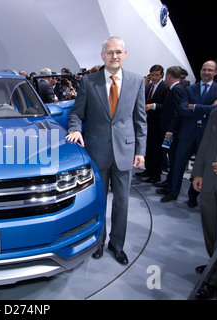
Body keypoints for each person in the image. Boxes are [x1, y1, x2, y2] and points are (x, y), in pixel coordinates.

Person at [65, 36, 147, 265]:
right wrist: (75, 129)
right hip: (97, 151)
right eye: (110, 52)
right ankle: (98, 242)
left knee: (122, 203)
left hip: (125, 153)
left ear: (125, 54)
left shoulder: (137, 81)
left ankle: (117, 245)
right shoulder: (89, 82)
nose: (115, 56)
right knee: (98, 202)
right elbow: (76, 113)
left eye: (119, 52)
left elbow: (140, 120)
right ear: (102, 56)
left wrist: (140, 150)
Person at [161, 61, 217, 205]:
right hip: (187, 133)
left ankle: (193, 196)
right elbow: (182, 110)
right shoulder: (190, 89)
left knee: (201, 165)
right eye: (204, 69)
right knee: (178, 164)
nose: (206, 72)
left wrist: (194, 107)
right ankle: (173, 191)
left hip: (208, 134)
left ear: (216, 72)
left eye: (210, 70)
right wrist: (208, 108)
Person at [191, 105, 217, 299]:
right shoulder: (216, 113)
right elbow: (205, 145)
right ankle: (215, 264)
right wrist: (198, 173)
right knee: (210, 228)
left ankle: (212, 280)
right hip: (209, 182)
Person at [136, 65, 169, 183]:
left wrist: (153, 106)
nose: (154, 77)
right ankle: (148, 170)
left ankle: (156, 174)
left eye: (157, 75)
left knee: (156, 149)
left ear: (162, 75)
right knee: (148, 147)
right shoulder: (149, 86)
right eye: (152, 75)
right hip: (147, 122)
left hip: (158, 123)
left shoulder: (165, 87)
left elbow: (168, 106)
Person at [155, 66, 184, 193]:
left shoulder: (177, 89)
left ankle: (171, 186)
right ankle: (169, 181)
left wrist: (171, 129)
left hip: (171, 131)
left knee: (172, 158)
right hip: (168, 129)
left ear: (168, 76)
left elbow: (176, 112)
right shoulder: (174, 89)